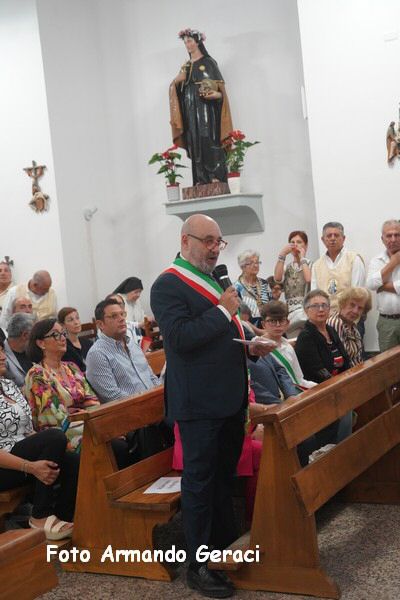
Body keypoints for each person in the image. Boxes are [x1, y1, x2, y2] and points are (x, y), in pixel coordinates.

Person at [151, 214, 272, 598]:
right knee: (201, 485)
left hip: (229, 400)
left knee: (222, 481)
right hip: (199, 404)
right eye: (208, 241)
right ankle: (198, 566)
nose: (215, 248)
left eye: (219, 242)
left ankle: (223, 550)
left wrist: (250, 347)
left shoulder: (215, 281)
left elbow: (222, 336)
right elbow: (181, 339)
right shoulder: (168, 284)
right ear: (185, 240)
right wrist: (222, 311)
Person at [0, 339, 78, 540]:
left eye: (2, 351)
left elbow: (27, 431)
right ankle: (40, 515)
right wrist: (31, 466)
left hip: (19, 451)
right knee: (54, 436)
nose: (3, 357)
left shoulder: (8, 385)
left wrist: (55, 447)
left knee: (71, 459)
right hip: (5, 464)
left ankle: (63, 517)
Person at [25, 319, 99, 452]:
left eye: (63, 333)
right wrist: (87, 419)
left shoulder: (71, 367)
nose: (63, 338)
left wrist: (91, 417)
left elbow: (92, 400)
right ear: (41, 343)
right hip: (63, 435)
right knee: (114, 444)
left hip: (88, 423)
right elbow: (55, 416)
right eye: (55, 334)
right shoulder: (37, 375)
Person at [170, 28, 233, 185]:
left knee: (208, 138)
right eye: (185, 42)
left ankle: (215, 175)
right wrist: (177, 81)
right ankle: (200, 179)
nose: (187, 45)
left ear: (198, 42)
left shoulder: (209, 62)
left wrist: (216, 95)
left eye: (190, 41)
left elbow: (221, 93)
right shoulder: (186, 66)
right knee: (195, 141)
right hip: (190, 109)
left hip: (207, 108)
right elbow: (178, 90)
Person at [295, 289, 352, 443]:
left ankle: (344, 446)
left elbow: (345, 359)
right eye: (315, 306)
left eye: (324, 305)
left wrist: (350, 378)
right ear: (306, 310)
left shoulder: (330, 330)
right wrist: (338, 386)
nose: (320, 309)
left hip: (338, 386)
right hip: (319, 391)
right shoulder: (306, 336)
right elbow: (316, 370)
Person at [86, 298, 159, 403]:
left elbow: (151, 377)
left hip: (155, 402)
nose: (121, 319)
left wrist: (160, 396)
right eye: (114, 316)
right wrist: (147, 401)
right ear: (100, 324)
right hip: (132, 409)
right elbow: (112, 395)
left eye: (122, 314)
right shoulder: (97, 354)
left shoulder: (132, 344)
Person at [259, 301, 317, 389]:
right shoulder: (258, 347)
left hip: (296, 391)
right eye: (272, 321)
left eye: (281, 320)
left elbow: (299, 379)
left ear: (287, 323)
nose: (278, 325)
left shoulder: (288, 346)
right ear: (263, 324)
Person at [311, 222, 365, 313]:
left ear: (343, 238)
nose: (332, 238)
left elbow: (357, 294)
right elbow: (314, 295)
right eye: (329, 236)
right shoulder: (316, 265)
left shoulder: (354, 259)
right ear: (323, 239)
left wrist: (344, 315)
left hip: (349, 315)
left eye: (336, 235)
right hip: (324, 316)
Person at [367, 219, 400, 351]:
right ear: (382, 239)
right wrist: (393, 263)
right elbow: (371, 284)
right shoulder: (376, 261)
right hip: (386, 322)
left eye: (397, 235)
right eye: (389, 235)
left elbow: (376, 284)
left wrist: (382, 286)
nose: (393, 239)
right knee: (388, 361)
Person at [274, 230, 312, 336]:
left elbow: (308, 279)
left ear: (306, 245)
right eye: (292, 242)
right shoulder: (287, 267)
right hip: (290, 312)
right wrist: (282, 254)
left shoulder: (312, 264)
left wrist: (302, 258)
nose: (295, 245)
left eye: (299, 242)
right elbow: (277, 278)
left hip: (306, 311)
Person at [327, 287, 372, 366]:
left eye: (360, 308)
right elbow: (341, 358)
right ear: (343, 303)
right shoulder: (336, 323)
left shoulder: (353, 326)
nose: (355, 311)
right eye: (352, 305)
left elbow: (358, 357)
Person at [234, 250, 272, 324]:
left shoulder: (265, 283)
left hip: (268, 324)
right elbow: (239, 313)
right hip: (248, 326)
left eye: (257, 262)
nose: (256, 265)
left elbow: (272, 304)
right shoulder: (236, 287)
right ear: (242, 267)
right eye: (251, 263)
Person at [3, 313, 35, 387]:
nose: (36, 336)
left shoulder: (33, 350)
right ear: (25, 335)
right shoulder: (3, 357)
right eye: (34, 333)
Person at [58, 307, 93, 372]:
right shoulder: (64, 348)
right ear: (63, 325)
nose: (76, 322)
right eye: (70, 320)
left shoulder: (88, 343)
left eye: (77, 318)